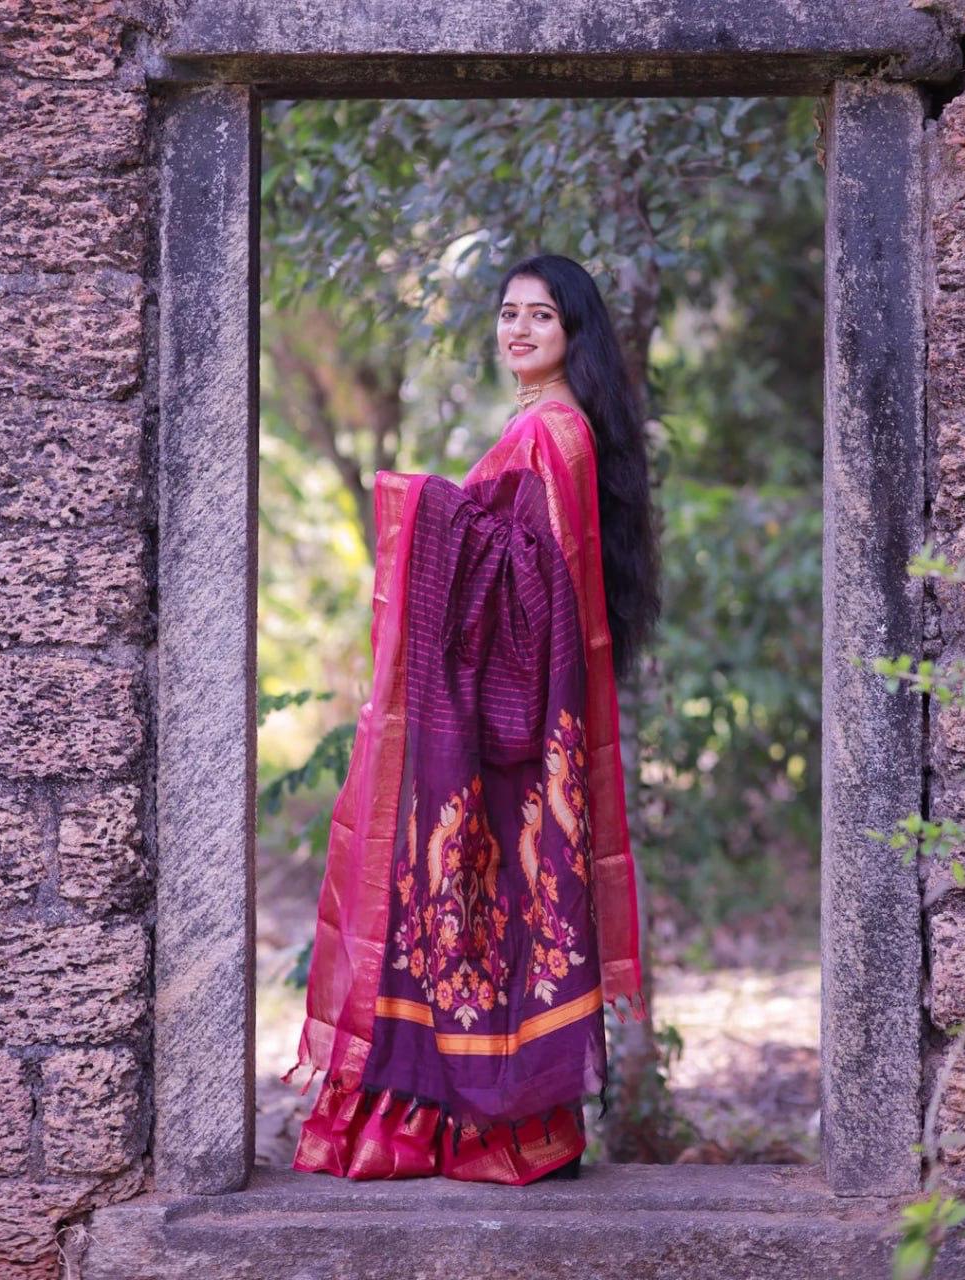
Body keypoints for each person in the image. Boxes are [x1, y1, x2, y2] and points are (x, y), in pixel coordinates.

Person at [284, 253, 661, 1184]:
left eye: (541, 315)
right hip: (523, 724)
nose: (519, 330)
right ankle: (510, 1127)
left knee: (480, 909)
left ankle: (492, 1127)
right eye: (507, 314)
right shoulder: (547, 428)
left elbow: (525, 578)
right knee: (494, 914)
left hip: (513, 730)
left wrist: (427, 508)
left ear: (576, 332)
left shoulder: (553, 434)